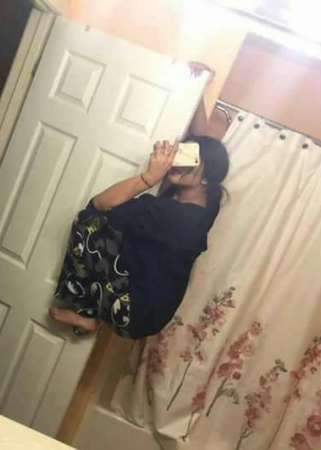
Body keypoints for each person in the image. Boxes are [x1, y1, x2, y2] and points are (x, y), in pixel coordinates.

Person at [49, 62, 230, 339]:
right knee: (117, 238)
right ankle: (92, 313)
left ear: (206, 177)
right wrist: (198, 86)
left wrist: (150, 177)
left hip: (132, 314)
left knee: (88, 224)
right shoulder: (208, 202)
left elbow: (101, 204)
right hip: (152, 312)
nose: (179, 162)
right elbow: (203, 140)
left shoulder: (168, 214)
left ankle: (87, 314)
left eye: (192, 162)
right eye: (186, 154)